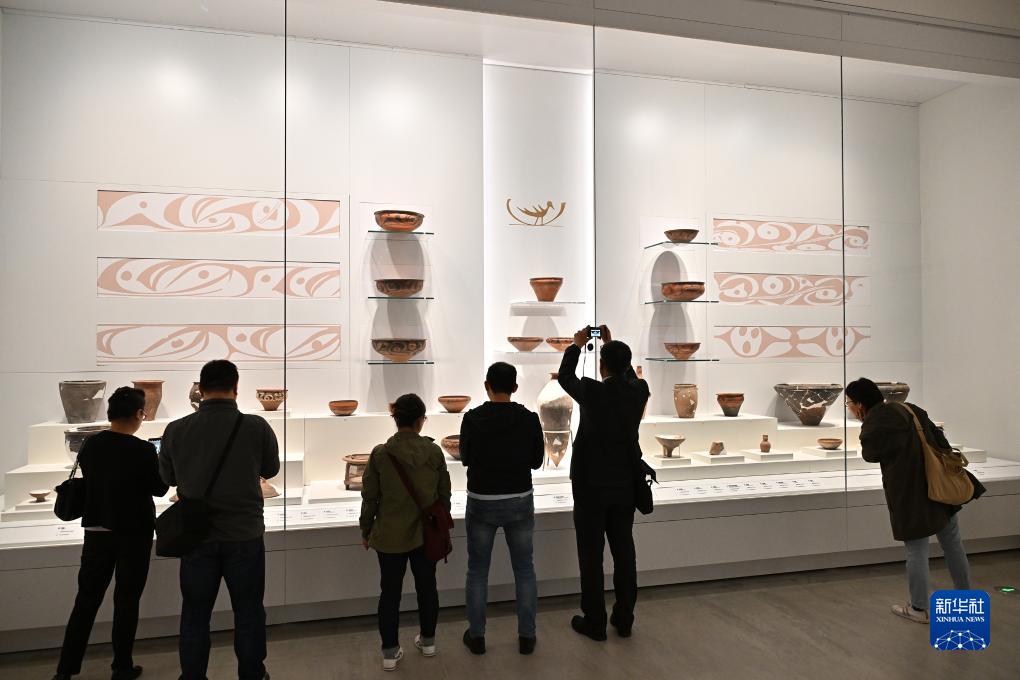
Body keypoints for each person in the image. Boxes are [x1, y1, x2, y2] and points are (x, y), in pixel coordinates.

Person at [159, 360, 280, 680]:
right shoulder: (256, 426)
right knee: (249, 611)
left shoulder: (176, 429)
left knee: (195, 614)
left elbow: (167, 478)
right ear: (236, 388)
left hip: (195, 535)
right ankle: (252, 674)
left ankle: (193, 676)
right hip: (244, 533)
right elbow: (270, 469)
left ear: (200, 389)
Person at [53, 387, 169, 680]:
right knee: (127, 601)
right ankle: (122, 667)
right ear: (139, 414)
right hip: (134, 533)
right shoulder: (142, 450)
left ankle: (65, 670)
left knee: (86, 600)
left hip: (96, 531)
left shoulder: (91, 445)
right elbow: (159, 489)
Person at [848, 377, 985, 624]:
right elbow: (940, 440)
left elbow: (870, 454)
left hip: (910, 494)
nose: (849, 408)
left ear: (859, 404)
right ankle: (964, 599)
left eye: (849, 403)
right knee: (953, 544)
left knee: (916, 550)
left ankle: (919, 608)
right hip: (939, 486)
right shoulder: (910, 409)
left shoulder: (875, 422)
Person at [558, 326, 649, 641]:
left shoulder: (593, 391)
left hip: (590, 486)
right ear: (627, 365)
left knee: (591, 556)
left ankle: (594, 621)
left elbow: (565, 377)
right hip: (624, 484)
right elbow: (631, 379)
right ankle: (624, 619)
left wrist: (576, 345)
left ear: (601, 366)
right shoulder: (639, 391)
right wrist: (610, 343)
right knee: (624, 553)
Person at [360, 393, 452, 672]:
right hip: (425, 534)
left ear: (395, 418)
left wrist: (366, 529)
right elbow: (444, 495)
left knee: (389, 593)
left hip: (390, 534)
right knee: (427, 587)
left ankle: (390, 652)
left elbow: (370, 498)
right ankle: (428, 641)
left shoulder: (381, 454)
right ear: (420, 420)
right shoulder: (433, 452)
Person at [459, 362, 545, 656]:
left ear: (487, 386)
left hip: (481, 499)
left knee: (477, 570)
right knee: (524, 569)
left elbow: (465, 457)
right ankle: (527, 636)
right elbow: (536, 461)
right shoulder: (529, 418)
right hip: (519, 498)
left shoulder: (472, 418)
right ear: (515, 388)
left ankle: (477, 636)